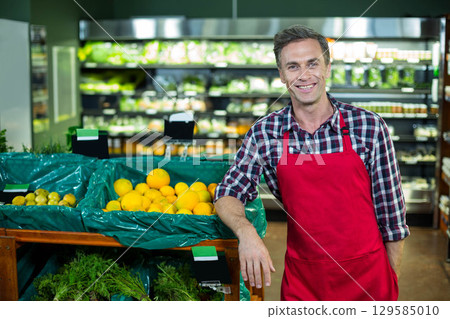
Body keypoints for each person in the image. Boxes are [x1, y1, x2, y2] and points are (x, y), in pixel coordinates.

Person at [213, 25, 409, 301]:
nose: (304, 75)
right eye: (292, 67)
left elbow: (393, 220)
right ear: (281, 75)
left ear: (327, 67)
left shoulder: (368, 127)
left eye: (312, 64)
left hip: (369, 278)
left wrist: (389, 281)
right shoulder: (265, 133)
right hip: (304, 281)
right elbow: (227, 193)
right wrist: (246, 232)